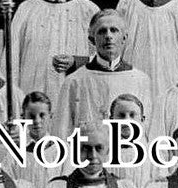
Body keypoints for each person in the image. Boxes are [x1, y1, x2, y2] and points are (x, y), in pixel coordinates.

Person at [10, 0, 100, 102]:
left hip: (76, 97)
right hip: (33, 101)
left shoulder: (89, 10)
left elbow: (103, 58)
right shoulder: (27, 9)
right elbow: (11, 60)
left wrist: (76, 62)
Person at [55, 9, 152, 138]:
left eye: (114, 30)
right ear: (92, 39)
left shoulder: (141, 80)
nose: (108, 36)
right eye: (102, 31)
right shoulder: (74, 81)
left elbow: (147, 130)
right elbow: (61, 131)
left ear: (124, 37)